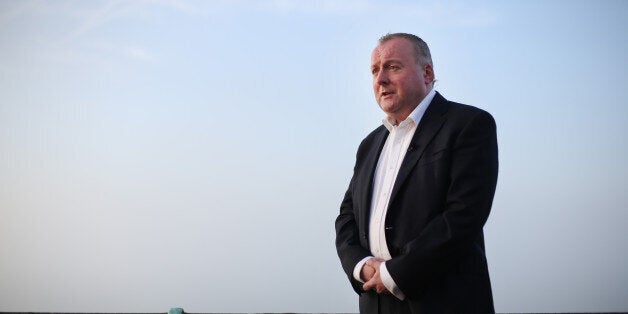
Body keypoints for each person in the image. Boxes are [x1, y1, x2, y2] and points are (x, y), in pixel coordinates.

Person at [335, 33, 498, 314]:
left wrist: (394, 274)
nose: (380, 79)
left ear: (427, 73)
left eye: (393, 67)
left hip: (443, 302)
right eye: (375, 70)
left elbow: (463, 215)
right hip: (374, 302)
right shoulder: (369, 144)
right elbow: (347, 217)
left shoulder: (469, 125)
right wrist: (361, 266)